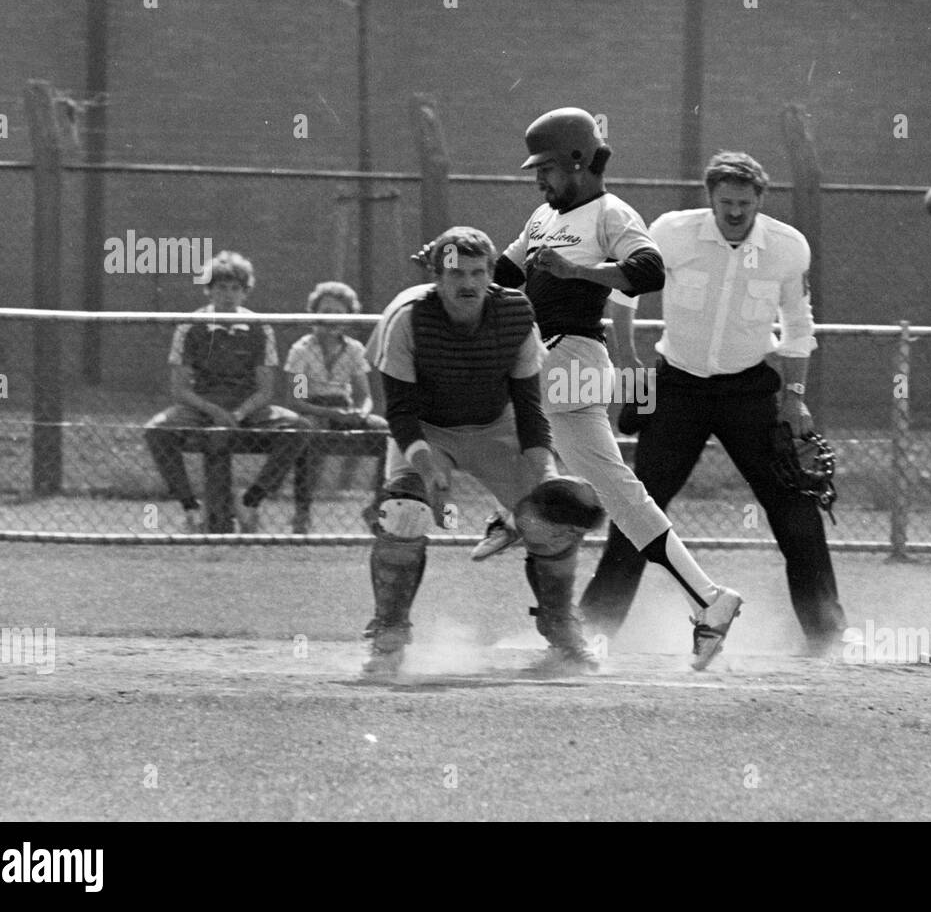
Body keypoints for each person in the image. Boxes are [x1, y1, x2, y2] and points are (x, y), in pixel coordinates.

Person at [488, 106, 745, 671]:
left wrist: (578, 272)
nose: (539, 178)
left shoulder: (611, 213)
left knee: (495, 424)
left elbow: (649, 270)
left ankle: (521, 511)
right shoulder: (540, 218)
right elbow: (503, 279)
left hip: (572, 355)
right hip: (547, 356)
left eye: (548, 168)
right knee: (620, 495)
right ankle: (709, 600)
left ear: (579, 162)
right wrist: (452, 267)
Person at [578, 151, 850, 654]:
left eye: (745, 203)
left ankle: (827, 634)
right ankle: (593, 628)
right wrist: (628, 362)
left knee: (795, 508)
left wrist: (794, 398)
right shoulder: (672, 232)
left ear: (760, 201)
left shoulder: (787, 248)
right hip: (679, 385)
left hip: (750, 388)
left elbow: (797, 326)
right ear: (710, 197)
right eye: (726, 202)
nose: (735, 212)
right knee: (639, 509)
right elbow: (622, 296)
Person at [360, 226, 600, 677]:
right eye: (455, 274)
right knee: (403, 512)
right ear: (437, 277)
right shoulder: (407, 318)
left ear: (492, 273)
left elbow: (529, 409)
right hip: (428, 430)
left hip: (497, 426)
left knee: (552, 520)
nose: (466, 284)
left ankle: (561, 633)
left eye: (476, 272)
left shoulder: (514, 316)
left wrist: (541, 483)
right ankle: (388, 635)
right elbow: (402, 413)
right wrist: (427, 471)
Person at [144, 251, 315, 534]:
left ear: (245, 293)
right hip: (201, 405)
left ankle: (251, 501)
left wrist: (238, 413)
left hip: (248, 407)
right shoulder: (191, 325)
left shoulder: (259, 328)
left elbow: (265, 389)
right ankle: (191, 508)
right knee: (156, 431)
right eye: (221, 287)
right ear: (209, 290)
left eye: (235, 288)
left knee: (299, 428)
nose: (228, 294)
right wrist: (213, 411)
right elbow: (179, 389)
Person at [284, 281, 389, 533]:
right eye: (326, 311)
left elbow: (365, 396)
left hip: (345, 409)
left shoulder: (354, 350)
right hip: (314, 410)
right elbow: (297, 400)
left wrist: (361, 412)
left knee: (387, 433)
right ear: (315, 314)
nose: (332, 319)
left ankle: (378, 506)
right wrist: (329, 413)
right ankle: (302, 513)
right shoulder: (301, 350)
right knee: (305, 435)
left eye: (338, 313)